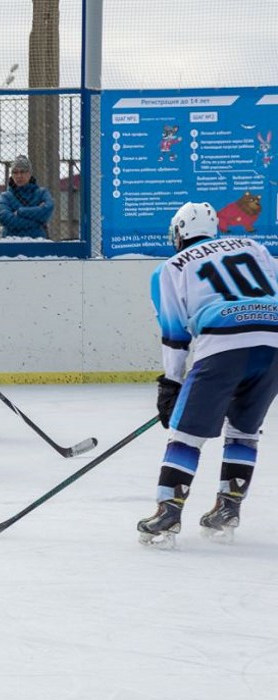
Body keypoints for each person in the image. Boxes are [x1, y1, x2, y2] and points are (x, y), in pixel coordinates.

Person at [137, 201, 278, 547]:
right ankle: (228, 508)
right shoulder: (255, 247)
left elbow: (174, 334)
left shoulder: (171, 267)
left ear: (180, 232)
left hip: (223, 344)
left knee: (185, 435)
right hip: (274, 341)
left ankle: (168, 513)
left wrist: (171, 383)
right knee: (245, 429)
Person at [0, 155, 54, 239]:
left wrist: (20, 212)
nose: (19, 176)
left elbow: (47, 211)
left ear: (29, 173)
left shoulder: (41, 193)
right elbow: (4, 218)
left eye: (22, 172)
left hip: (37, 242)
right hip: (11, 242)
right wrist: (37, 221)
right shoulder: (4, 196)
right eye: (15, 172)